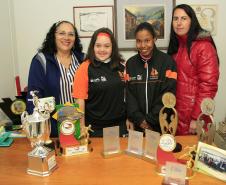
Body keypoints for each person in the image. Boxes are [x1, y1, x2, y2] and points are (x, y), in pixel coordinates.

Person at [167, 4, 219, 135]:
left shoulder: (204, 47)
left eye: (183, 18)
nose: (178, 23)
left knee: (193, 153)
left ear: (192, 21)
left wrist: (197, 118)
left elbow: (208, 85)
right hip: (177, 115)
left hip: (194, 117)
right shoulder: (176, 47)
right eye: (175, 18)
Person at [26, 20, 84, 137]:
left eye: (71, 34)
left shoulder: (82, 60)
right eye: (61, 33)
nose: (66, 37)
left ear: (75, 38)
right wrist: (39, 131)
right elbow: (34, 96)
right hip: (53, 129)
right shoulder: (41, 61)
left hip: (80, 126)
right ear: (54, 35)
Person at [73, 27, 127, 137]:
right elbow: (79, 100)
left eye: (107, 46)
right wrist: (82, 127)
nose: (102, 50)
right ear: (93, 47)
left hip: (119, 126)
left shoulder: (121, 66)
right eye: (98, 45)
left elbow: (127, 95)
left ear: (113, 48)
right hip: (94, 128)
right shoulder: (85, 67)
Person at [126, 22, 177, 133]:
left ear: (154, 39)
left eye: (147, 40)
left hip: (161, 124)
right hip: (137, 125)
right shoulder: (130, 63)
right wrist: (140, 120)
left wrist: (149, 121)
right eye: (139, 41)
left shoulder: (168, 62)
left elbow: (168, 95)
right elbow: (130, 95)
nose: (143, 45)